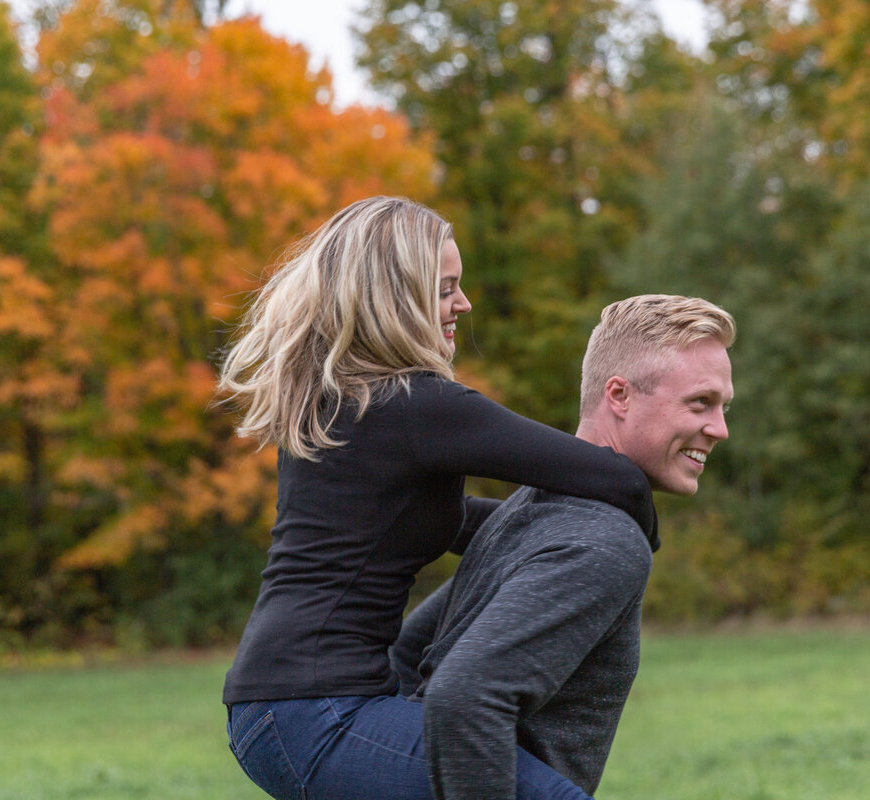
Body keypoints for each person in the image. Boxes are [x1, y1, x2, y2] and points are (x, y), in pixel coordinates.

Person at [218, 196, 657, 800]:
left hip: (283, 707)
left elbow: (471, 524)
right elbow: (612, 476)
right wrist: (630, 532)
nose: (464, 304)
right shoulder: (417, 407)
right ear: (397, 300)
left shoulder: (347, 404)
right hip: (317, 711)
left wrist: (559, 541)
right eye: (446, 288)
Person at [392, 294, 736, 800]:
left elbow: (408, 655)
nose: (720, 429)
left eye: (724, 407)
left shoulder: (535, 509)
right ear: (619, 396)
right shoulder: (604, 537)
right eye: (700, 403)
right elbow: (463, 697)